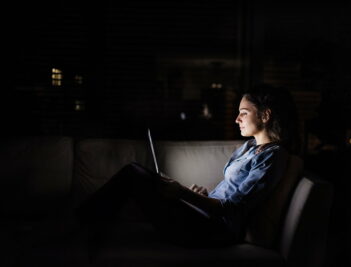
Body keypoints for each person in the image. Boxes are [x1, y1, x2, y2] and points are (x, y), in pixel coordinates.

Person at [76, 83, 299, 247]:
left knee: (135, 174)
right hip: (205, 218)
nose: (236, 119)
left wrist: (181, 193)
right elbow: (224, 195)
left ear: (265, 115)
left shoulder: (273, 156)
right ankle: (88, 225)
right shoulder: (249, 147)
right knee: (144, 179)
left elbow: (232, 208)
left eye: (243, 113)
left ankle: (79, 224)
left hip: (215, 231)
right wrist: (201, 196)